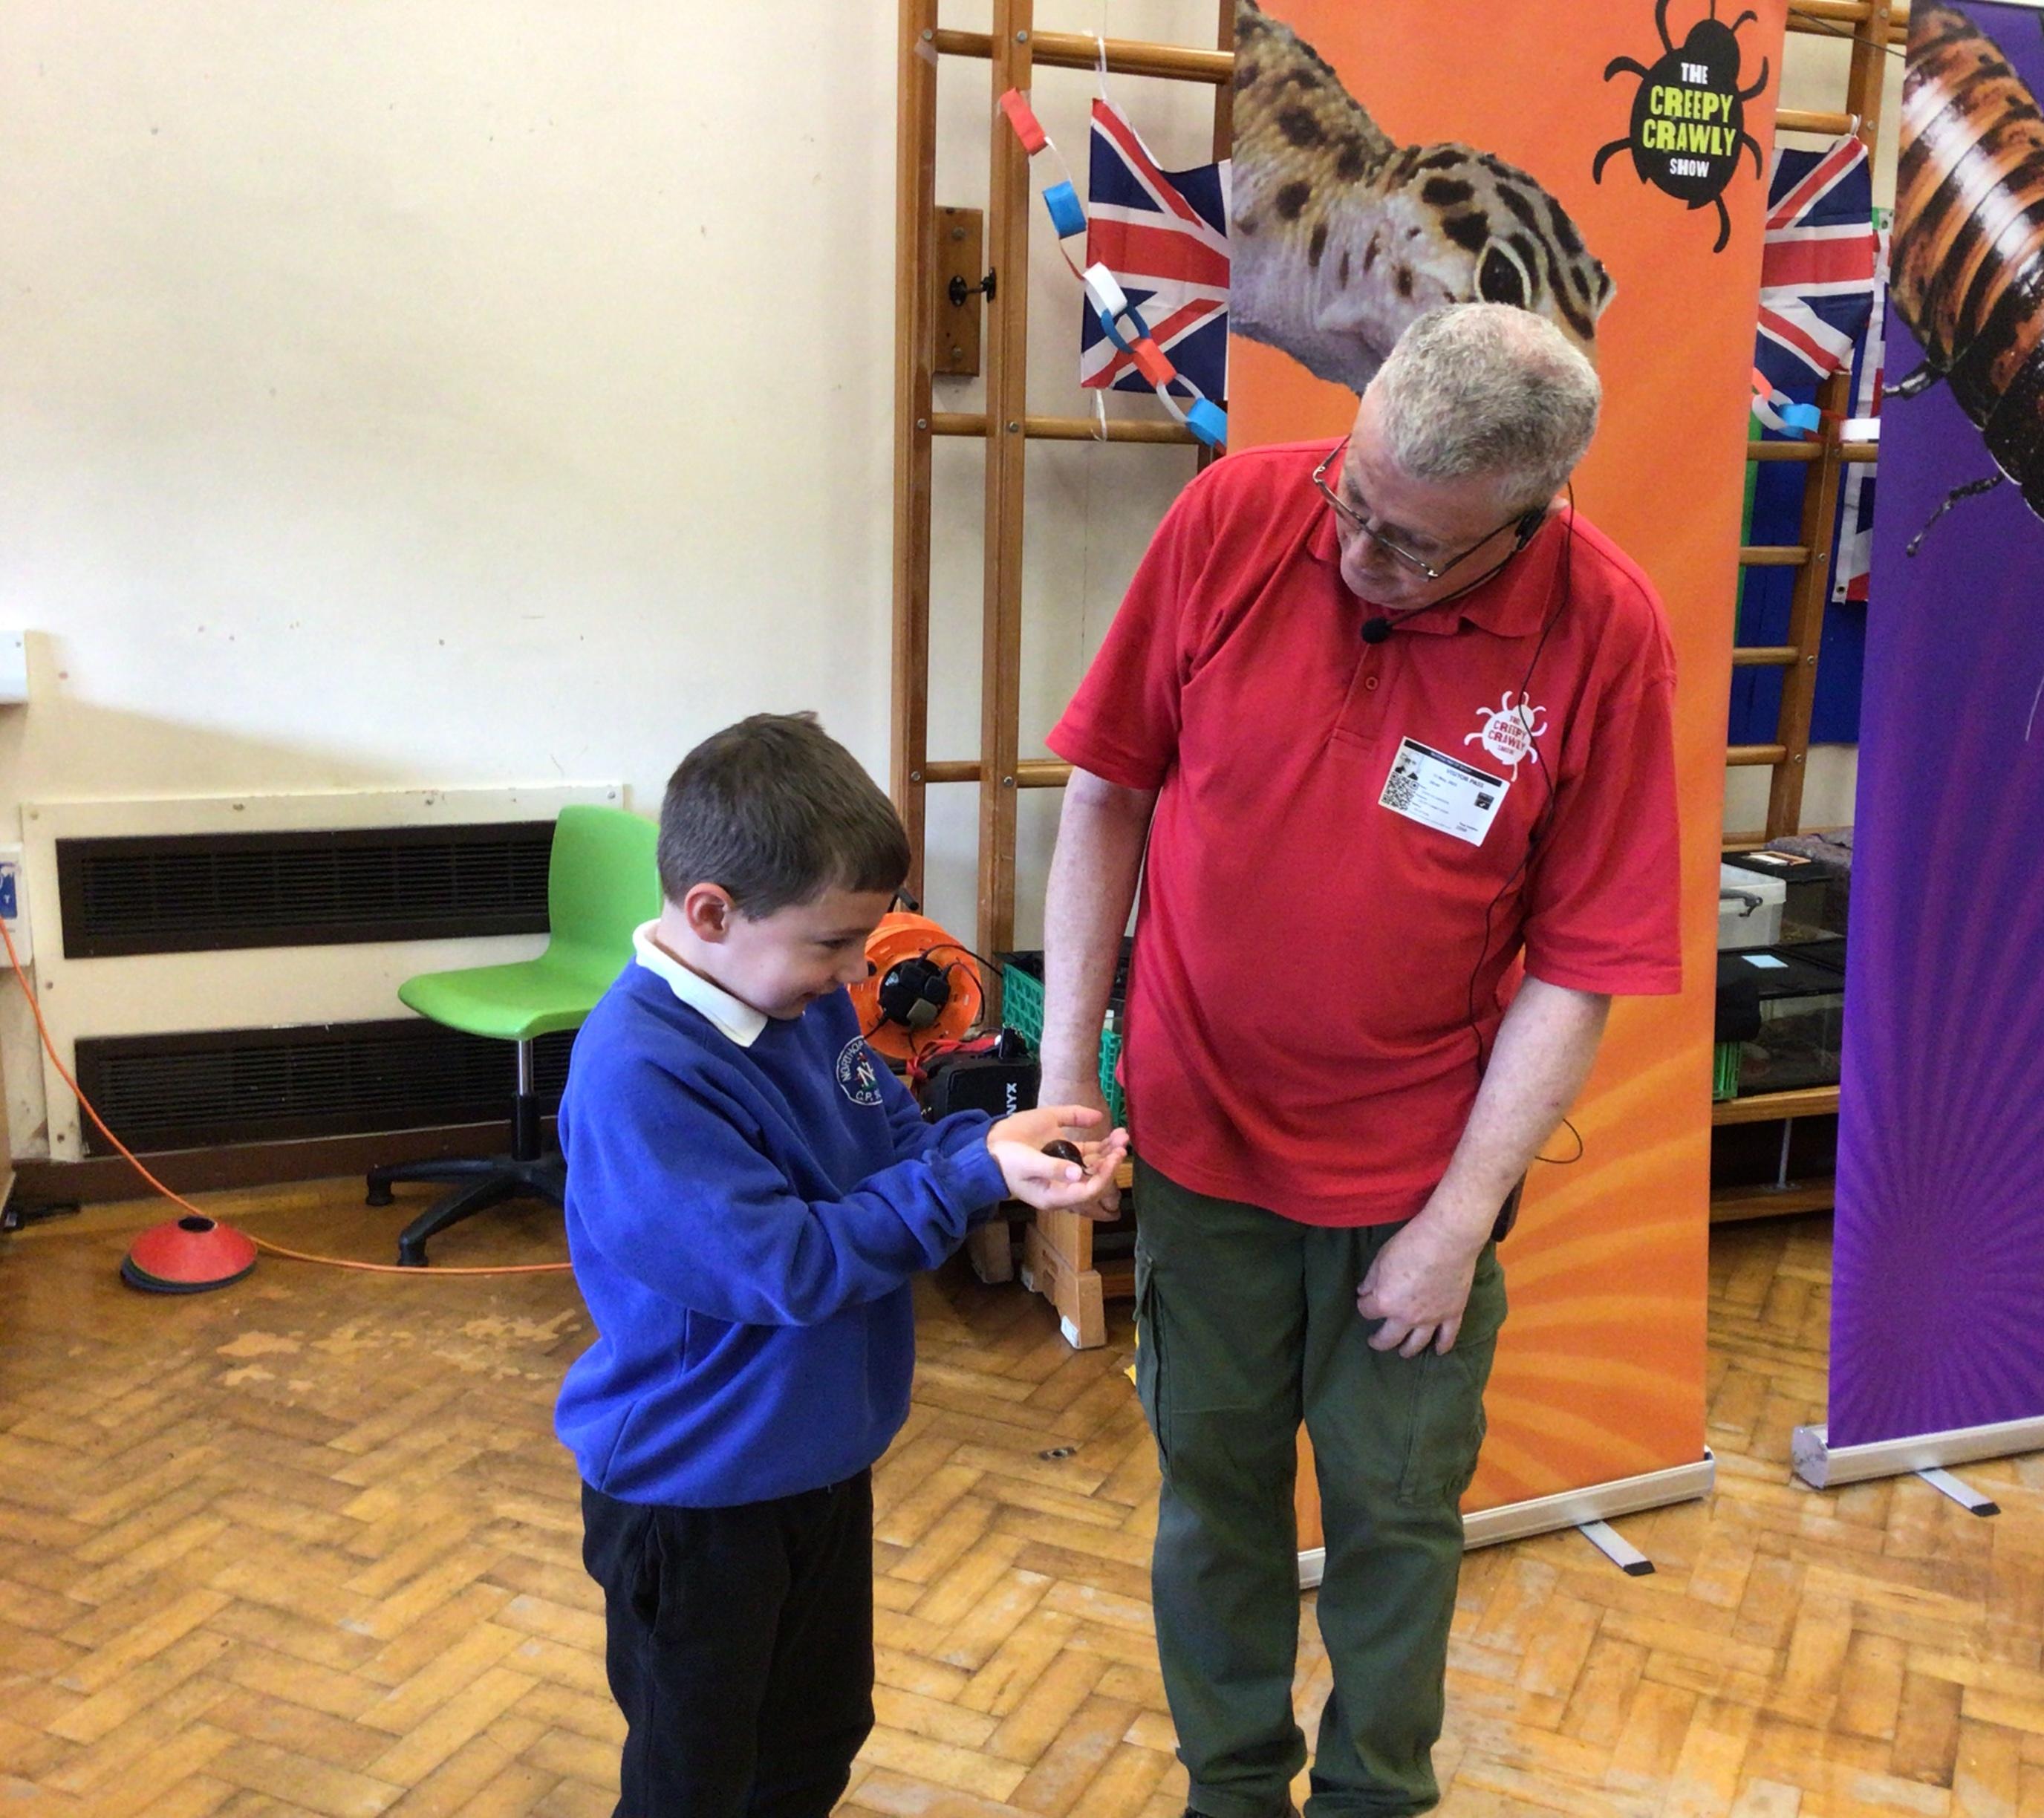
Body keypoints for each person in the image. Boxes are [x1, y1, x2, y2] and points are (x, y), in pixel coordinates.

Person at [1040, 303, 1681, 1818]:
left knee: (1398, 1520)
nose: (1356, 552)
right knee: (1214, 1504)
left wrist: (1456, 1225)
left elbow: (1581, 966)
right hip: (1202, 1149)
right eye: (1356, 496)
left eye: (1410, 543)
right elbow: (1107, 793)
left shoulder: (1605, 631)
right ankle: (1231, 1790)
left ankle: (1375, 1797)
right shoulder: (1237, 517)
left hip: (1410, 1185)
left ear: (1530, 515)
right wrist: (1069, 1078)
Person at [555, 711, 1127, 1818]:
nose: (859, 967)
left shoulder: (797, 1000)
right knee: (694, 1782)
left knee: (814, 1742)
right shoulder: (639, 1073)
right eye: (832, 943)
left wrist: (996, 1152)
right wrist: (964, 1182)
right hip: (697, 1490)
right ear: (712, 913)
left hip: (814, 1458)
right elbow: (792, 1267)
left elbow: (892, 1145)